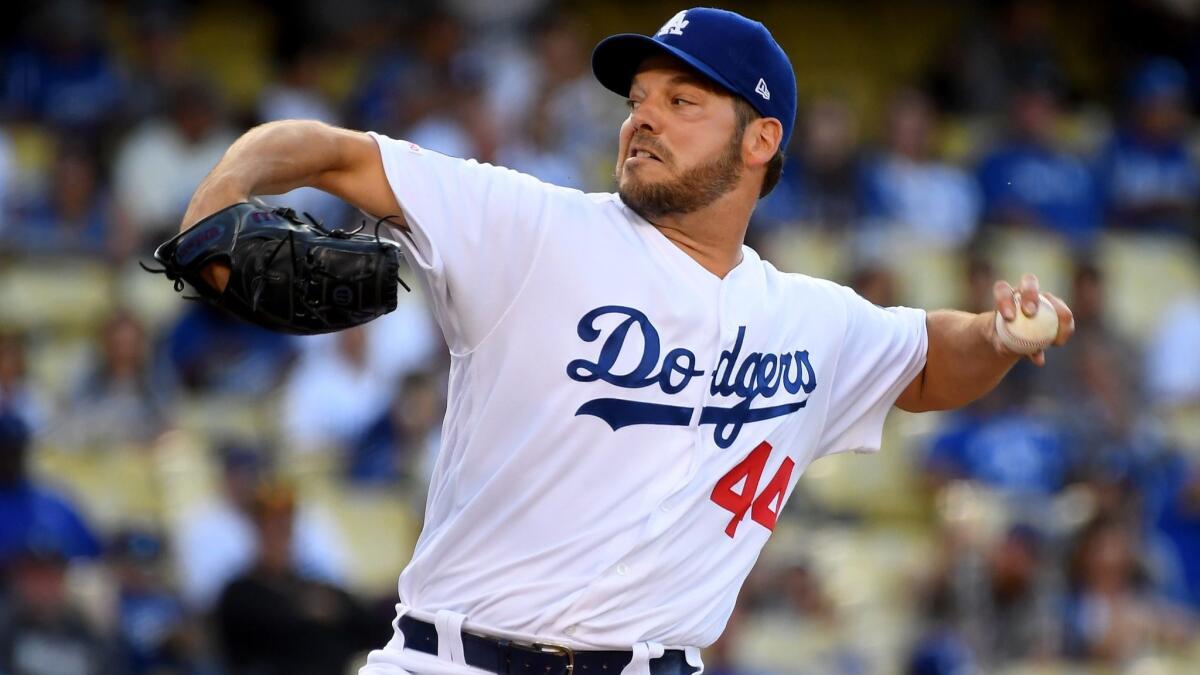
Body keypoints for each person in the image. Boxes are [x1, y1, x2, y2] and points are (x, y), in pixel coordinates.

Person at [175, 8, 1075, 674]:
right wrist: (214, 203)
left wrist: (998, 334)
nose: (644, 116)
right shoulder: (533, 228)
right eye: (639, 98)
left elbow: (925, 361)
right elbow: (324, 149)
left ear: (762, 139)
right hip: (453, 659)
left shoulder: (812, 317)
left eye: (684, 100)